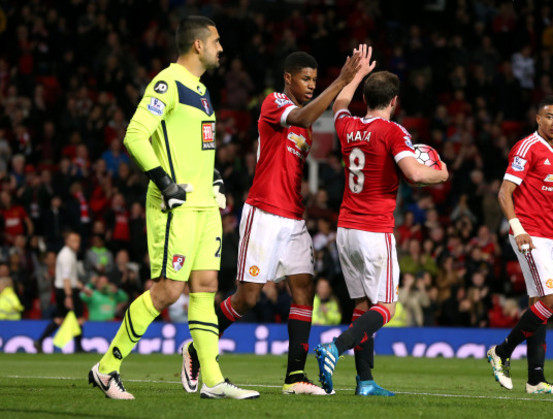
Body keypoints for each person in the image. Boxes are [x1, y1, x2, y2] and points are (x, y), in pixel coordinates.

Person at [88, 16, 258, 400]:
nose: (220, 47)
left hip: (204, 207)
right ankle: (106, 367)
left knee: (205, 288)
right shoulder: (166, 83)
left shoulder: (200, 89)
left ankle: (212, 379)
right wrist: (164, 183)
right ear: (197, 45)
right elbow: (135, 134)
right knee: (167, 291)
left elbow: (198, 145)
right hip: (176, 207)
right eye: (215, 41)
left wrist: (214, 179)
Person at [182, 48, 362, 396]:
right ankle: (196, 349)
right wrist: (341, 80)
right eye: (306, 79)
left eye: (314, 79)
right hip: (263, 213)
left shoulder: (305, 127)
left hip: (293, 218)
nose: (311, 84)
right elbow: (306, 117)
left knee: (304, 288)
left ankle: (295, 376)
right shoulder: (274, 103)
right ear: (288, 78)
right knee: (247, 297)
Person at [315, 46, 449, 396]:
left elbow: (338, 104)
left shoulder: (348, 126)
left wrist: (356, 73)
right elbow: (413, 173)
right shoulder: (392, 132)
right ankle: (335, 347)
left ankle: (366, 382)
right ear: (394, 101)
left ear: (365, 98)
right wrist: (441, 174)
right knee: (386, 306)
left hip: (345, 230)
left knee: (362, 306)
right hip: (374, 230)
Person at [487, 95, 553, 396]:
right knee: (552, 302)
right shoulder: (526, 147)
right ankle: (501, 352)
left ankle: (535, 380)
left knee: (537, 307)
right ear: (538, 119)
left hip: (550, 237)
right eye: (550, 117)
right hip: (528, 235)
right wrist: (517, 229)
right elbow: (504, 193)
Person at [35, 231, 85, 353]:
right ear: (67, 241)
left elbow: (71, 278)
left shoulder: (69, 254)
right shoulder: (67, 256)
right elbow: (66, 278)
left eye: (78, 241)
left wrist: (83, 288)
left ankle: (40, 341)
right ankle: (78, 348)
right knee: (79, 318)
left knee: (60, 319)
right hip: (66, 291)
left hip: (63, 289)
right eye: (73, 241)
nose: (77, 244)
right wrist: (69, 296)